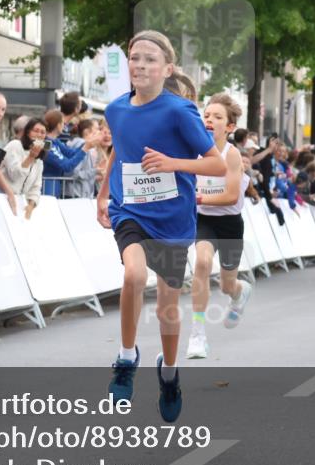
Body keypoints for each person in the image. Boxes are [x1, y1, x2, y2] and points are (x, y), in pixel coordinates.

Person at [96, 30, 225, 423]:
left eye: (150, 59)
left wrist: (173, 163)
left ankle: (169, 374)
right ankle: (125, 357)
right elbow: (119, 146)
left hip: (171, 217)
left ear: (167, 69)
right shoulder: (116, 109)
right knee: (133, 274)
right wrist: (103, 194)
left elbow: (215, 164)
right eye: (134, 57)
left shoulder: (179, 111)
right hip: (129, 209)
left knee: (169, 305)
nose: (139, 65)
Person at [187, 94, 253, 360]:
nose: (210, 120)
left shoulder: (232, 155)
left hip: (229, 224)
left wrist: (197, 197)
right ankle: (197, 335)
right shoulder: (192, 150)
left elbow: (230, 196)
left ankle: (239, 292)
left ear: (228, 126)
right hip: (203, 219)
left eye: (217, 117)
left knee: (227, 285)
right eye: (207, 115)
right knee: (202, 264)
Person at [42, 109, 98, 198]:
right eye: (63, 123)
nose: (64, 125)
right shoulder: (46, 144)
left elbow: (71, 153)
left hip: (54, 188)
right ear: (58, 125)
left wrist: (87, 143)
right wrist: (85, 148)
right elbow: (66, 166)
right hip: (47, 189)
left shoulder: (55, 141)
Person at [2, 117, 48, 219]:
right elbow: (14, 175)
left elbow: (36, 187)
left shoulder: (39, 161)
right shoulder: (15, 145)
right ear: (27, 132)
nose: (39, 135)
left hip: (18, 201)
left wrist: (31, 206)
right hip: (1, 196)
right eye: (36, 131)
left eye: (43, 132)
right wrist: (30, 157)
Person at [65, 119, 103, 199]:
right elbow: (74, 173)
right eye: (96, 129)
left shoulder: (86, 146)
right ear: (87, 132)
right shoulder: (81, 145)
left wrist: (95, 175)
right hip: (76, 195)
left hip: (80, 194)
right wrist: (96, 171)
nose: (100, 132)